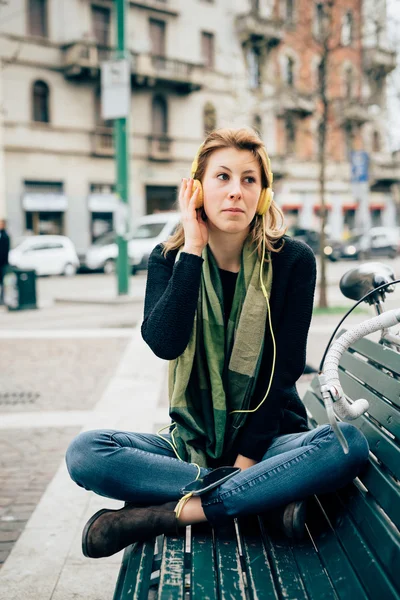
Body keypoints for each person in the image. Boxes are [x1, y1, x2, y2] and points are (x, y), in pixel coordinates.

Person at [66, 128, 369, 559]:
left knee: (345, 446)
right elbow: (164, 343)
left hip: (268, 443)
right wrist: (193, 247)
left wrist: (246, 461)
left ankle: (167, 514)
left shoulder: (292, 261)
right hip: (190, 444)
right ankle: (259, 499)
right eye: (222, 177)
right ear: (197, 189)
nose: (235, 192)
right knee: (86, 453)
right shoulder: (169, 259)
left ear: (263, 195)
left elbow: (281, 377)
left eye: (249, 180)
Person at [0, 219, 10, 304]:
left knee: (3, 282)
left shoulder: (5, 236)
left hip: (3, 264)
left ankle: (2, 299)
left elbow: (4, 252)